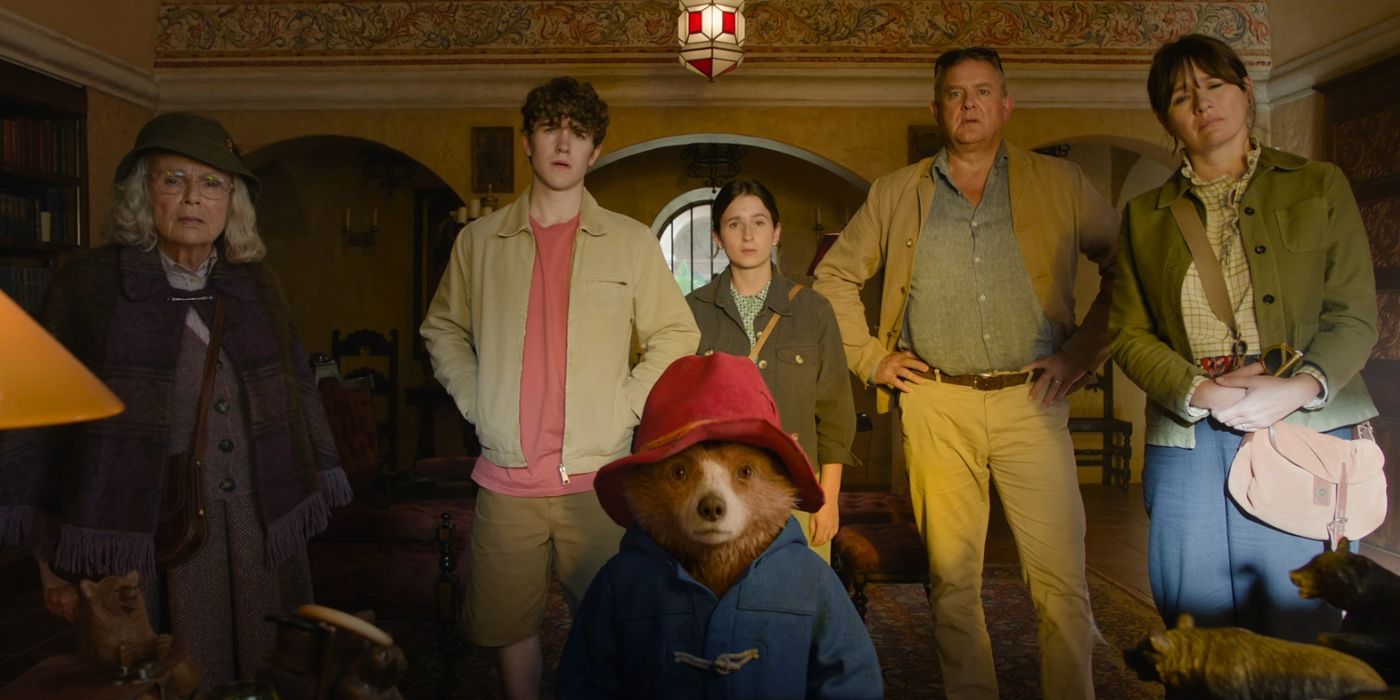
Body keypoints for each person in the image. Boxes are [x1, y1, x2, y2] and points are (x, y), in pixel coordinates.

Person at [0, 112, 352, 690]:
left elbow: (295, 394)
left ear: (231, 202)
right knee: (164, 676)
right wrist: (51, 563)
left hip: (256, 526)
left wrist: (311, 475)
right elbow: (41, 423)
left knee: (269, 672)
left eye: (212, 183)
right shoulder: (88, 287)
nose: (194, 198)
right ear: (144, 193)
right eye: (174, 180)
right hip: (143, 529)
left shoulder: (258, 286)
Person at [813, 46, 1117, 699]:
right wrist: (871, 358)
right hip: (935, 405)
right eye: (956, 93)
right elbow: (833, 278)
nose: (969, 104)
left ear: (1006, 104)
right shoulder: (896, 193)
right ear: (937, 107)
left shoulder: (1060, 185)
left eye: (983, 92)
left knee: (1061, 581)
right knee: (952, 583)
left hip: (1032, 402)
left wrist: (1083, 352)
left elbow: (1131, 268)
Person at [420, 76, 700, 699]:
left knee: (613, 625)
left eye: (578, 132)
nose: (563, 143)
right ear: (527, 141)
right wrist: (476, 398)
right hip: (506, 478)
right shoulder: (479, 242)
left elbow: (676, 332)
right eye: (551, 127)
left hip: (597, 480)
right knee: (507, 626)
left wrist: (625, 404)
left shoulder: (628, 241)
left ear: (595, 150)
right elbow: (441, 328)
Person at [1111, 34, 1378, 643]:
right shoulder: (1146, 215)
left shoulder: (1318, 185)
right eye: (1182, 96)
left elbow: (1356, 315)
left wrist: (1299, 388)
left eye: (1214, 85)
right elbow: (1129, 332)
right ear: (1167, 118)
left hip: (1304, 424)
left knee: (1296, 612)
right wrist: (1200, 390)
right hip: (1189, 434)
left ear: (1245, 90)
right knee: (1193, 621)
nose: (1202, 103)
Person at [685, 179, 857, 561]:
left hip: (797, 492)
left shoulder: (814, 311)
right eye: (734, 224)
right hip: (717, 498)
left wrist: (827, 499)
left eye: (759, 222)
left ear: (776, 232)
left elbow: (835, 412)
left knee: (797, 609)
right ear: (717, 237)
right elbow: (680, 417)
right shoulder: (690, 313)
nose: (748, 234)